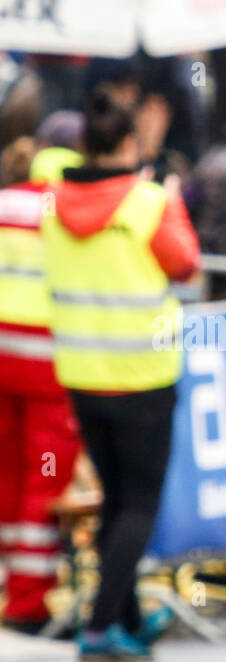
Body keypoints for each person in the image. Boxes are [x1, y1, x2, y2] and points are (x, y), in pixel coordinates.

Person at [43, 86, 199, 662]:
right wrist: (167, 196)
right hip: (142, 371)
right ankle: (103, 623)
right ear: (129, 142)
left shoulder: (54, 203)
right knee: (139, 503)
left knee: (115, 498)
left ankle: (126, 618)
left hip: (83, 371)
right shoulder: (148, 203)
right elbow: (186, 262)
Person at [0, 137, 81, 636]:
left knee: (7, 472)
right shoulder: (72, 212)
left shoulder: (5, 202)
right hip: (50, 362)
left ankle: (12, 583)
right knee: (44, 480)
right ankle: (29, 600)